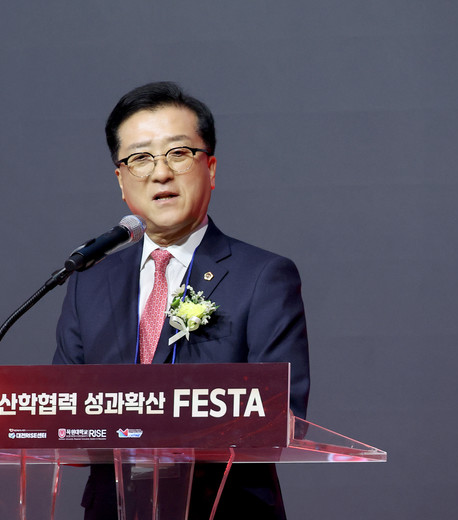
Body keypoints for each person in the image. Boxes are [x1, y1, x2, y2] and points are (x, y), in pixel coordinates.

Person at [54, 81, 310, 519]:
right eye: (140, 158)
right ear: (121, 181)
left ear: (210, 168)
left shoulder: (263, 277)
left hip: (223, 508)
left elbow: (281, 416)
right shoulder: (89, 282)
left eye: (178, 153)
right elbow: (61, 419)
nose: (161, 173)